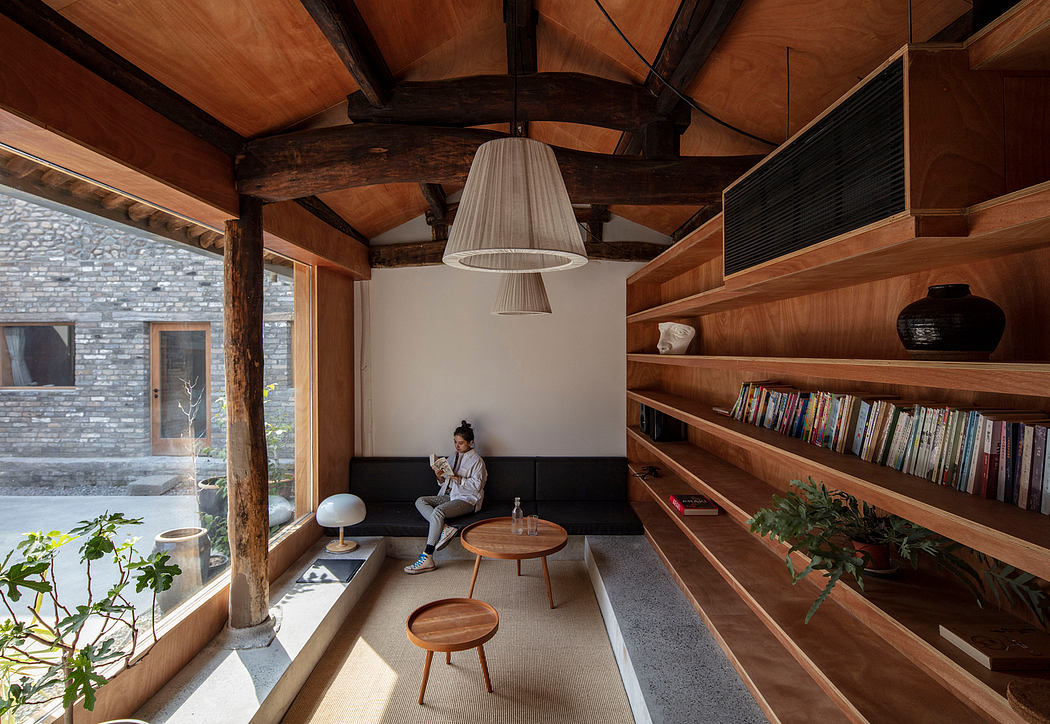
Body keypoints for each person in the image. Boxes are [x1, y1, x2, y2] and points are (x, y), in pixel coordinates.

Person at [404, 420, 487, 574]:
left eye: (461, 443)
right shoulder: (453, 457)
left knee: (438, 512)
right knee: (420, 501)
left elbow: (477, 486)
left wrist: (457, 478)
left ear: (471, 442)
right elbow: (443, 483)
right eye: (455, 442)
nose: (457, 446)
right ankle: (445, 528)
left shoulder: (477, 461)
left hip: (467, 500)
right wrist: (440, 477)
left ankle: (427, 556)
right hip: (450, 496)